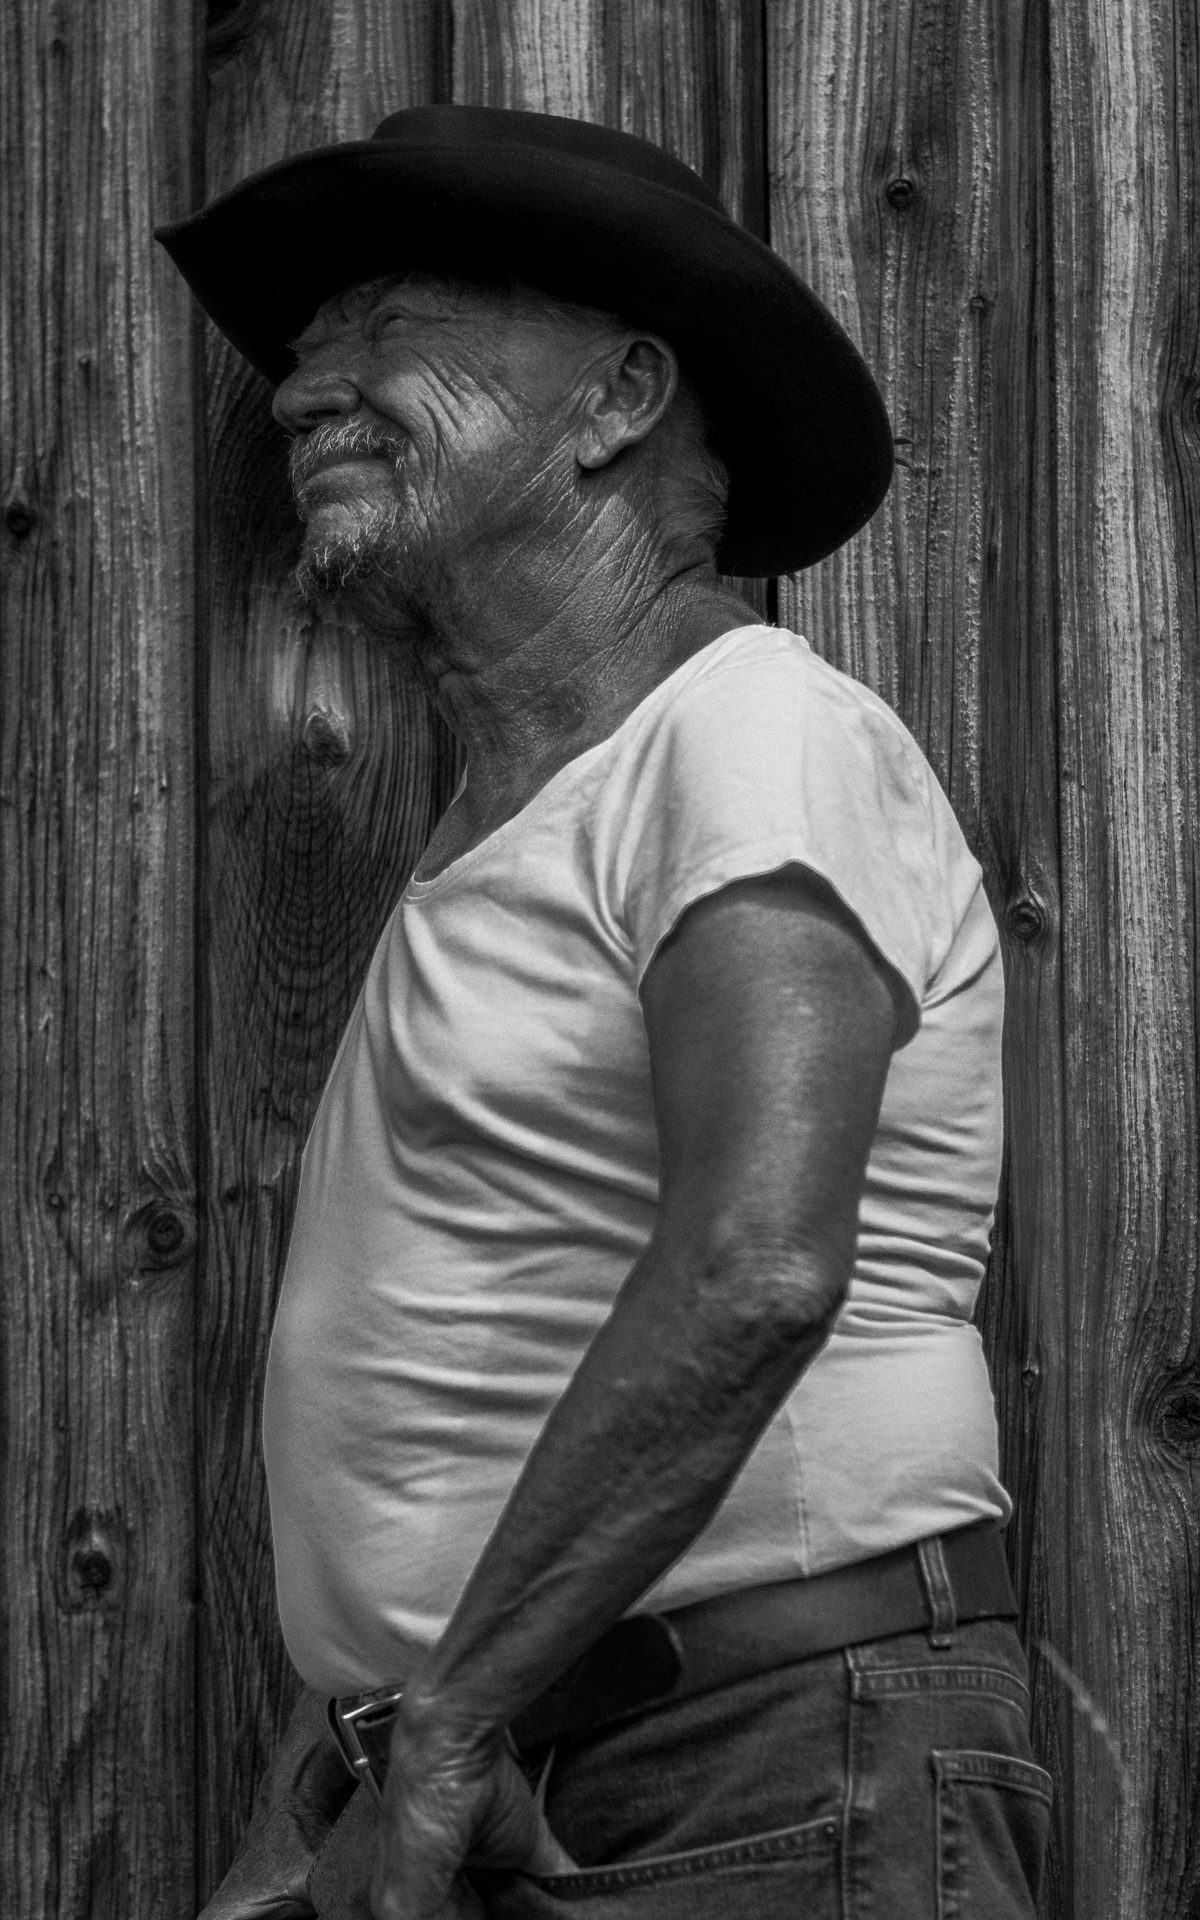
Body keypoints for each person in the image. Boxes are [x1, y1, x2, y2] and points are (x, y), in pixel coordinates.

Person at [160, 105, 1051, 1920]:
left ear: (618, 400)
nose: (302, 391)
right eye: (306, 348)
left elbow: (756, 1268)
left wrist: (441, 1730)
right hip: (535, 1774)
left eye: (386, 324)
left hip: (760, 1773)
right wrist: (331, 1773)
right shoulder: (537, 814)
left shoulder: (750, 734)